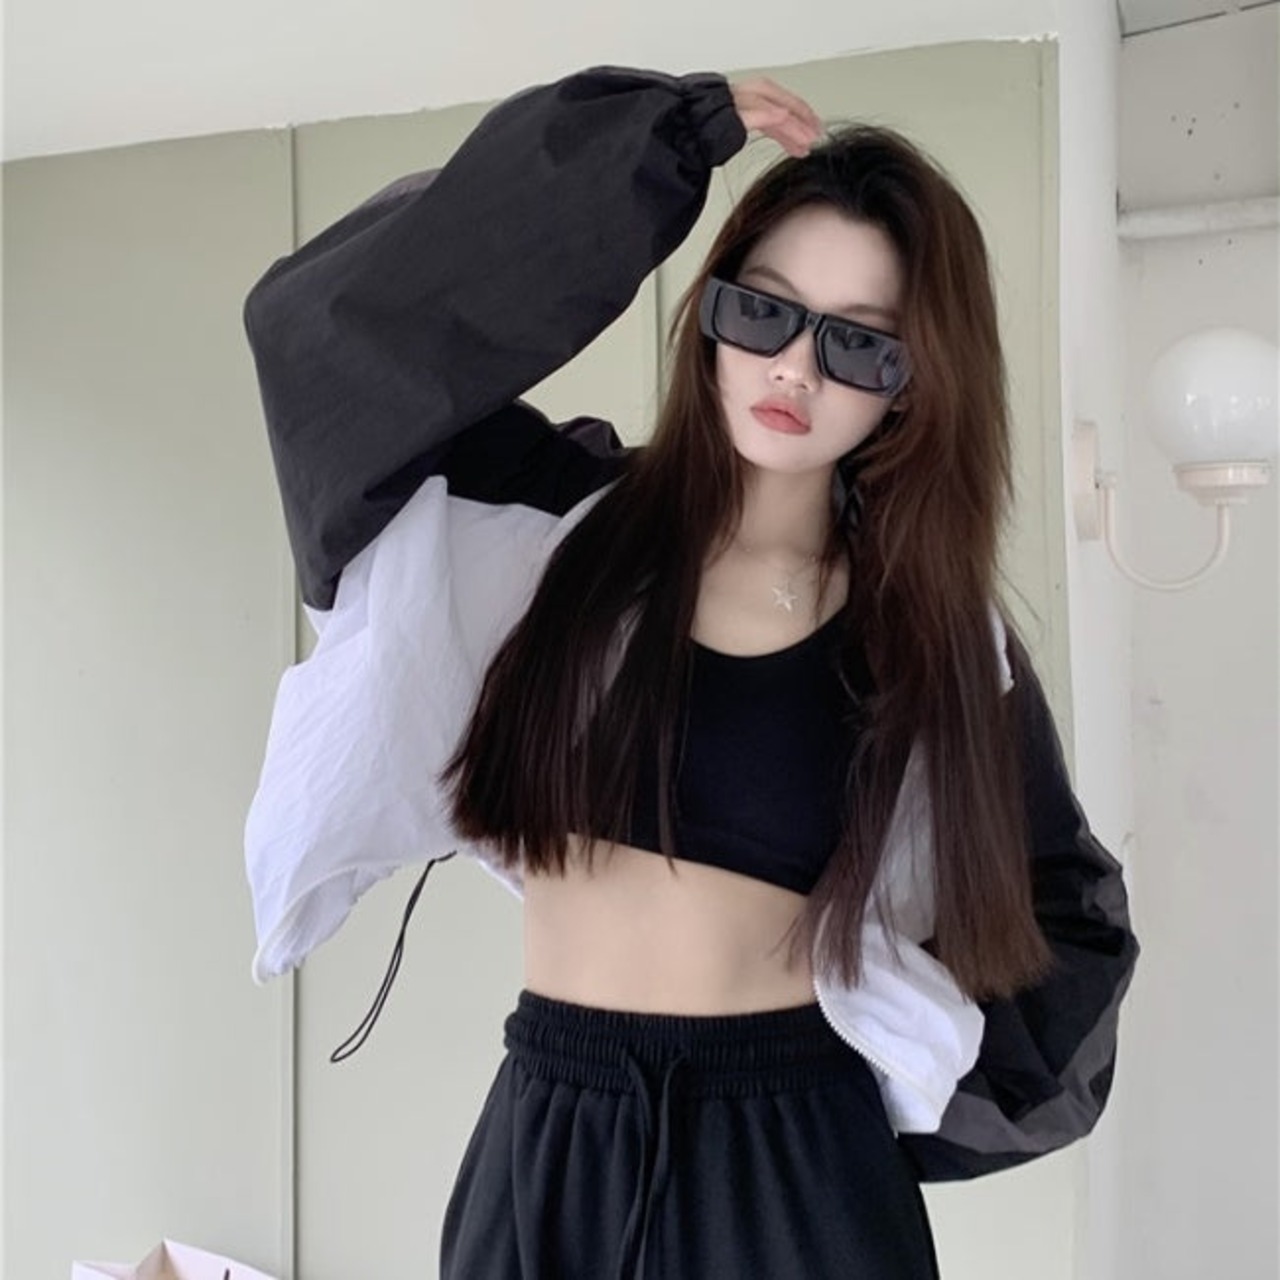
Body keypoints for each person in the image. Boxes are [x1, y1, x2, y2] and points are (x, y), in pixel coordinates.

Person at [243, 67, 1138, 1279]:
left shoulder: (927, 632)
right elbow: (329, 335)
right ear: (709, 313)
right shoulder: (548, 528)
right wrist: (647, 148)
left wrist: (901, 1088)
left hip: (794, 1147)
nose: (794, 369)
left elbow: (1063, 914)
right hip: (550, 1127)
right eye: (762, 310)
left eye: (857, 342)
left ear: (912, 382)